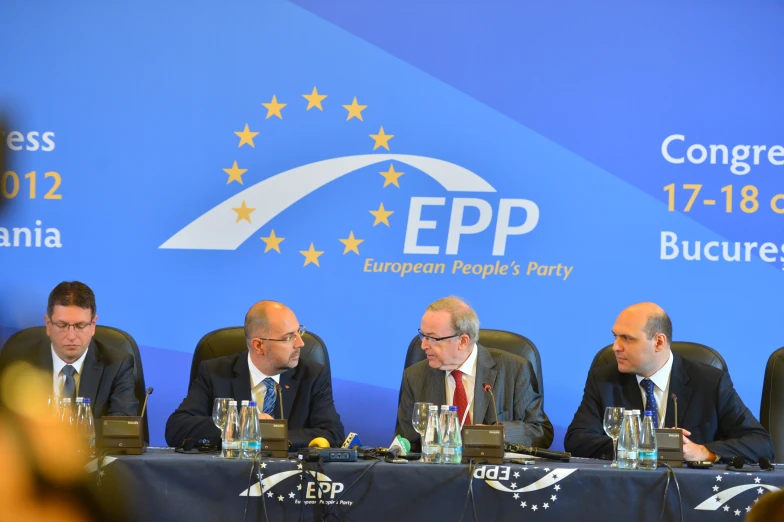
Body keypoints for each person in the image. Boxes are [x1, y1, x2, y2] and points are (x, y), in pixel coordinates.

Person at [564, 302, 774, 463]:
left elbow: (761, 444)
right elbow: (576, 440)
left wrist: (702, 451)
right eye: (615, 337)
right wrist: (643, 443)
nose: (616, 347)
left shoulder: (710, 382)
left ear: (658, 342)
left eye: (627, 338)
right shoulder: (603, 379)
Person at [165, 300, 345, 450]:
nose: (300, 343)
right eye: (289, 337)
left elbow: (332, 434)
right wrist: (238, 425)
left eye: (299, 331)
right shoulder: (215, 372)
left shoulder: (312, 376)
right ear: (259, 345)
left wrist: (271, 435)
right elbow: (177, 428)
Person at [396, 296, 553, 450]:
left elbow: (539, 431)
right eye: (423, 335)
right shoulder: (414, 376)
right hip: (437, 472)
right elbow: (406, 443)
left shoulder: (515, 370)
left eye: (433, 338)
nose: (423, 345)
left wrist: (497, 433)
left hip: (493, 471)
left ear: (463, 341)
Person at [0, 281, 139, 419]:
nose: (71, 336)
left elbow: (121, 428)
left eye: (80, 326)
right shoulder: (20, 362)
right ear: (48, 325)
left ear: (93, 325)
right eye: (61, 325)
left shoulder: (116, 365)